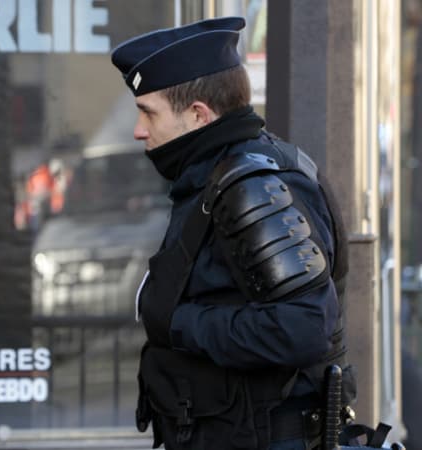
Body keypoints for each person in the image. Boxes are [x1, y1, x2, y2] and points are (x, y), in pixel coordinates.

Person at [111, 17, 355, 450]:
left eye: (148, 111)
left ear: (198, 114)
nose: (139, 130)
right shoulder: (219, 173)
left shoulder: (252, 186)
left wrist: (181, 322)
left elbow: (303, 328)